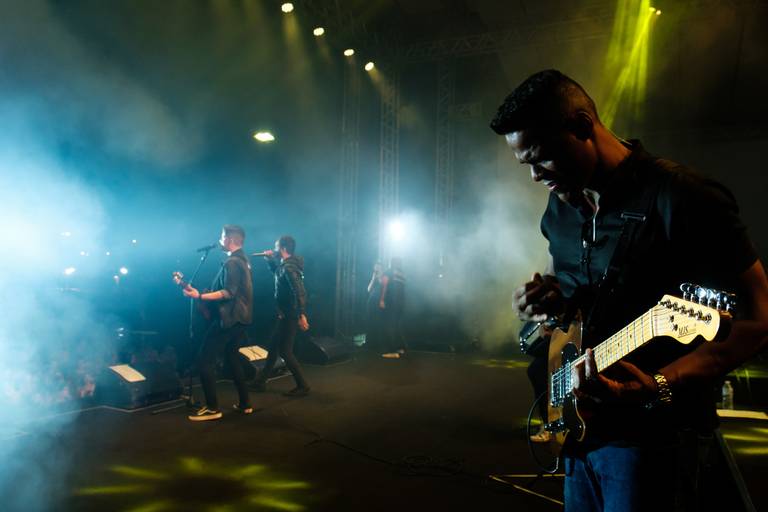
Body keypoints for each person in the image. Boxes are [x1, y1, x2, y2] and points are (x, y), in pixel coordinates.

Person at [491, 69, 768, 511]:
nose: (535, 177)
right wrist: (544, 300)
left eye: (541, 159)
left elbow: (757, 318)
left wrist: (659, 384)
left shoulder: (683, 196)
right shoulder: (562, 203)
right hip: (580, 431)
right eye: (526, 165)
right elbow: (560, 282)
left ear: (583, 126)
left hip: (654, 441)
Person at [182, 225, 254, 421]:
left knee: (204, 361)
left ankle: (213, 408)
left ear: (229, 240)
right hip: (242, 319)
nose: (220, 240)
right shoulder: (244, 260)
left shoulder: (232, 262)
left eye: (222, 237)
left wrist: (200, 296)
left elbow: (228, 292)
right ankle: (245, 403)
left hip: (229, 319)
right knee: (232, 357)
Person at [253, 235, 311, 397]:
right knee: (273, 348)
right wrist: (270, 261)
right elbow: (279, 275)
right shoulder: (286, 266)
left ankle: (303, 385)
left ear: (283, 249)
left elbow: (299, 291)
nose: (274, 249)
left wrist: (301, 314)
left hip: (290, 314)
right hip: (286, 313)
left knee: (285, 352)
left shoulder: (290, 267)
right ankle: (260, 382)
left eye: (276, 247)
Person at [379, 257, 407, 359]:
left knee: (389, 326)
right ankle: (401, 348)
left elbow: (384, 285)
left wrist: (382, 300)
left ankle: (391, 351)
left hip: (391, 303)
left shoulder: (389, 272)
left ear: (391, 263)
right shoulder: (402, 274)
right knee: (396, 326)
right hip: (400, 304)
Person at [366, 261, 384, 351]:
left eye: (378, 267)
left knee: (379, 323)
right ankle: (370, 343)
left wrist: (379, 277)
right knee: (370, 322)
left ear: (381, 268)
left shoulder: (384, 277)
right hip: (371, 302)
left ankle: (378, 344)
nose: (376, 269)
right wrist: (373, 279)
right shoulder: (374, 277)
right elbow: (368, 289)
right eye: (375, 268)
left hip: (379, 303)